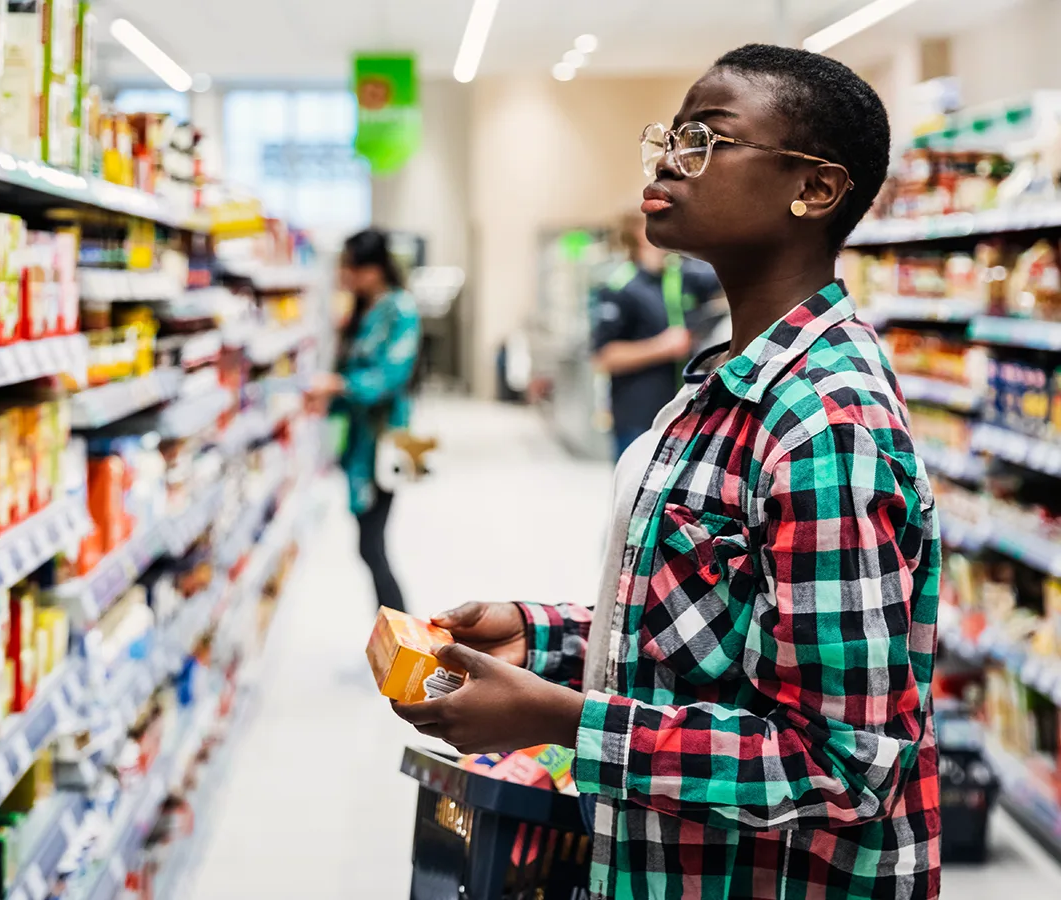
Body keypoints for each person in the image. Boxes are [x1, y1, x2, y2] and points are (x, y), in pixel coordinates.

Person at [394, 44, 940, 900]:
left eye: (707, 139)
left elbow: (842, 764)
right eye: (670, 135)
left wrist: (561, 719)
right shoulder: (727, 378)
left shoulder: (826, 422)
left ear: (817, 189)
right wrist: (545, 639)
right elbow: (713, 632)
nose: (668, 161)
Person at [306, 229, 421, 613]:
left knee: (372, 545)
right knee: (368, 545)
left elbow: (391, 376)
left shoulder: (401, 309)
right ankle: (393, 638)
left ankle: (404, 642)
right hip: (358, 442)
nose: (344, 275)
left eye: (350, 267)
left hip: (386, 439)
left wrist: (337, 385)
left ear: (373, 269)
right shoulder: (361, 310)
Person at [591, 211, 721, 458]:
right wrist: (662, 347)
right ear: (639, 233)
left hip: (685, 414)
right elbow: (603, 357)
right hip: (638, 418)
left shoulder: (684, 276)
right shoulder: (620, 285)